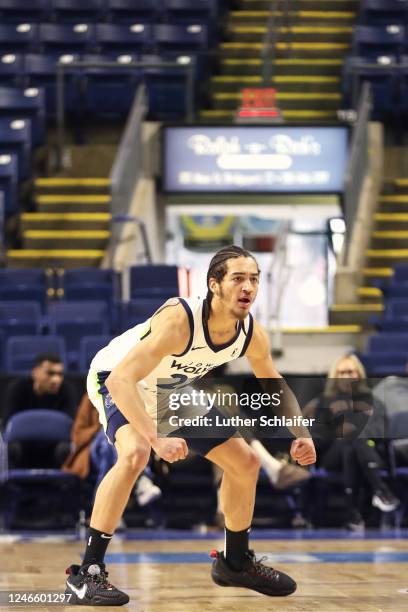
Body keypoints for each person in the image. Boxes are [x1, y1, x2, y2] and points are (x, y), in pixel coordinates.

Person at [64, 245, 316, 605]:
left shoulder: (251, 333)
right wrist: (155, 439)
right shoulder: (179, 320)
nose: (248, 287)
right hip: (119, 378)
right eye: (238, 278)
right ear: (214, 284)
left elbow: (271, 382)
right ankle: (86, 573)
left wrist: (301, 434)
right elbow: (121, 380)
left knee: (245, 462)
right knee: (134, 454)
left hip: (170, 389)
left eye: (254, 280)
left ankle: (236, 561)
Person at [303, 353, 400, 531]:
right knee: (350, 441)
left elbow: (380, 431)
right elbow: (318, 437)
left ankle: (353, 515)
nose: (346, 376)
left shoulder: (373, 400)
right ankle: (381, 491)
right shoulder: (324, 401)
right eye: (342, 372)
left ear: (359, 374)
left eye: (350, 371)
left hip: (366, 450)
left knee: (354, 443)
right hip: (333, 456)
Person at [2, 353, 77, 468]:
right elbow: (9, 423)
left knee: (65, 448)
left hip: (53, 447)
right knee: (11, 447)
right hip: (24, 446)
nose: (56, 380)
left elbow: (71, 425)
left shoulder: (67, 390)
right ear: (35, 373)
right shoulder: (17, 388)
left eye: (60, 374)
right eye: (50, 373)